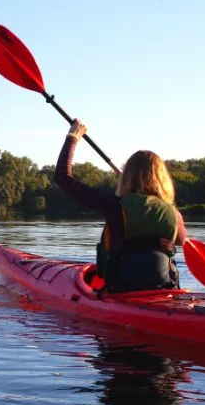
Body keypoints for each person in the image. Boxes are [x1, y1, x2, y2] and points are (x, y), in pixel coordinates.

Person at [54, 119, 188, 293]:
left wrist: (73, 137)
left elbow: (62, 177)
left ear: (127, 176)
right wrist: (170, 246)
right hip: (163, 288)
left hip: (122, 290)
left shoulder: (113, 204)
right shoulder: (173, 213)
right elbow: (182, 240)